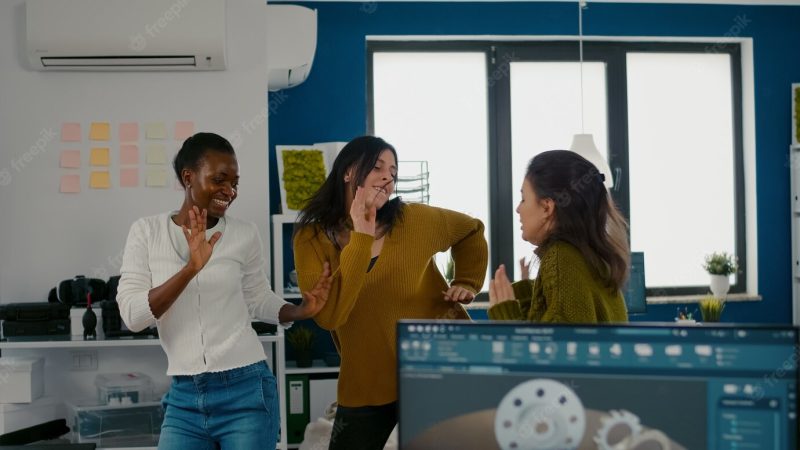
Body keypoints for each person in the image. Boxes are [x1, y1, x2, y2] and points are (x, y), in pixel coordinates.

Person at [117, 132, 332, 450]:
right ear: (188, 177)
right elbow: (133, 317)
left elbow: (257, 298)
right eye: (219, 179)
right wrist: (191, 269)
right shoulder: (146, 232)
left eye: (235, 183)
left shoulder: (245, 234)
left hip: (246, 390)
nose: (229, 191)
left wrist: (299, 310)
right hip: (184, 396)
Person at [292, 135, 488, 450]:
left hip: (437, 368)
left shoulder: (414, 220)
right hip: (366, 381)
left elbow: (471, 230)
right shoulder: (311, 238)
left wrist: (467, 280)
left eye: (393, 172)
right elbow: (329, 316)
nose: (387, 176)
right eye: (378, 167)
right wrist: (361, 238)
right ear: (348, 171)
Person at [488, 150, 629, 323]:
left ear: (547, 208)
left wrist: (507, 318)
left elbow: (558, 348)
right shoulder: (589, 257)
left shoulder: (560, 258)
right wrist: (527, 296)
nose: (518, 209)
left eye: (524, 199)